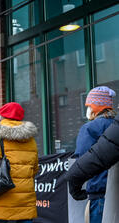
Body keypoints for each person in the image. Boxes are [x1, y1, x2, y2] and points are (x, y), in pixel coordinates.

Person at [0, 102, 38, 223]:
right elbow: (35, 168)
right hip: (24, 199)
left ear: (2, 116)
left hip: (1, 194)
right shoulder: (30, 139)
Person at [72, 86, 116, 223]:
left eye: (89, 105)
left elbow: (83, 162)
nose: (87, 109)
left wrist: (75, 187)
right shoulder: (116, 125)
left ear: (96, 107)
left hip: (100, 194)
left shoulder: (90, 128)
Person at [67, 111, 119, 201]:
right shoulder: (114, 123)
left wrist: (73, 177)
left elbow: (83, 156)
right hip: (114, 189)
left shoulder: (89, 127)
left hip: (97, 190)